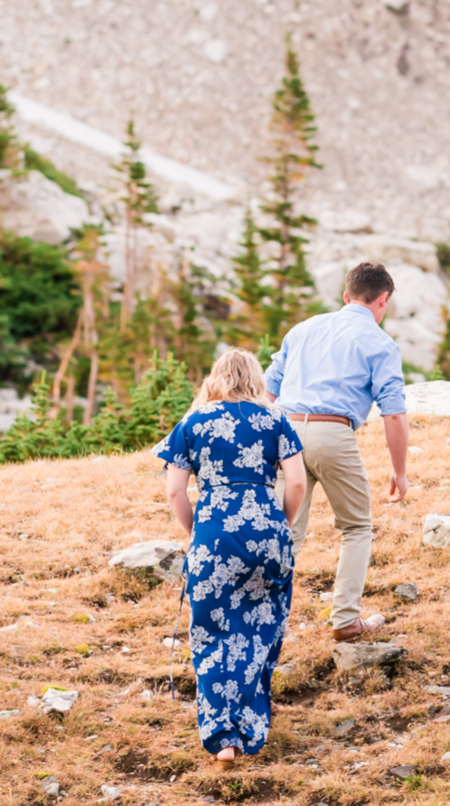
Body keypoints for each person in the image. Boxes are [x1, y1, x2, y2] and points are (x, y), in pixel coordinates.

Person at [158, 348, 307, 763]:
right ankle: (251, 723)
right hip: (267, 534)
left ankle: (223, 738)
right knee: (261, 628)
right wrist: (281, 524)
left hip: (214, 536)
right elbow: (296, 483)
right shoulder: (276, 420)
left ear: (215, 377)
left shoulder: (193, 421)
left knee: (211, 635)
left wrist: (198, 532)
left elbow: (174, 491)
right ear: (256, 378)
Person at [264, 260, 407, 643]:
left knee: (287, 529)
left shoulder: (303, 328)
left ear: (346, 296)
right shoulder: (380, 343)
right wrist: (400, 471)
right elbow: (393, 413)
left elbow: (268, 389)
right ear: (383, 300)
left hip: (286, 430)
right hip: (333, 432)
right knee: (356, 526)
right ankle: (345, 620)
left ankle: (264, 616)